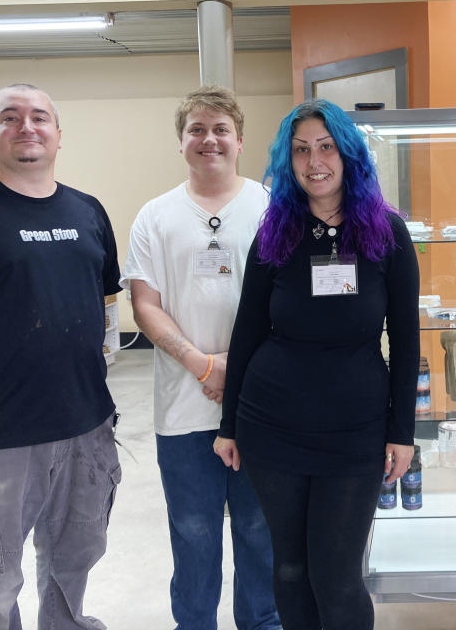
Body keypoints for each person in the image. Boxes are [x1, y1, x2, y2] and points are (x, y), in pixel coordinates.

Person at [215, 99, 419, 630]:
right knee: (289, 569)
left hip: (355, 430)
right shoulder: (276, 232)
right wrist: (229, 425)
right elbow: (248, 331)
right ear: (289, 161)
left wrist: (403, 432)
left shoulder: (386, 234)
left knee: (337, 576)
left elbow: (405, 335)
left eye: (326, 147)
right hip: (272, 424)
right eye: (301, 150)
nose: (314, 161)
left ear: (349, 155)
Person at [0, 83, 121, 629]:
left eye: (40, 117)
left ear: (58, 134)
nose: (28, 127)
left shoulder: (88, 211)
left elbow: (106, 304)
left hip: (86, 428)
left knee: (74, 561)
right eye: (10, 117)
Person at [121, 86, 281, 629]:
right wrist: (205, 365)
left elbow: (288, 301)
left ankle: (262, 622)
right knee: (192, 533)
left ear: (240, 141)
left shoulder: (272, 209)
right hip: (183, 410)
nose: (208, 139)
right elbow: (145, 305)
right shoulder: (155, 216)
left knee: (261, 533)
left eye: (219, 129)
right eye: (196, 129)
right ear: (181, 141)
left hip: (261, 406)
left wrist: (236, 368)